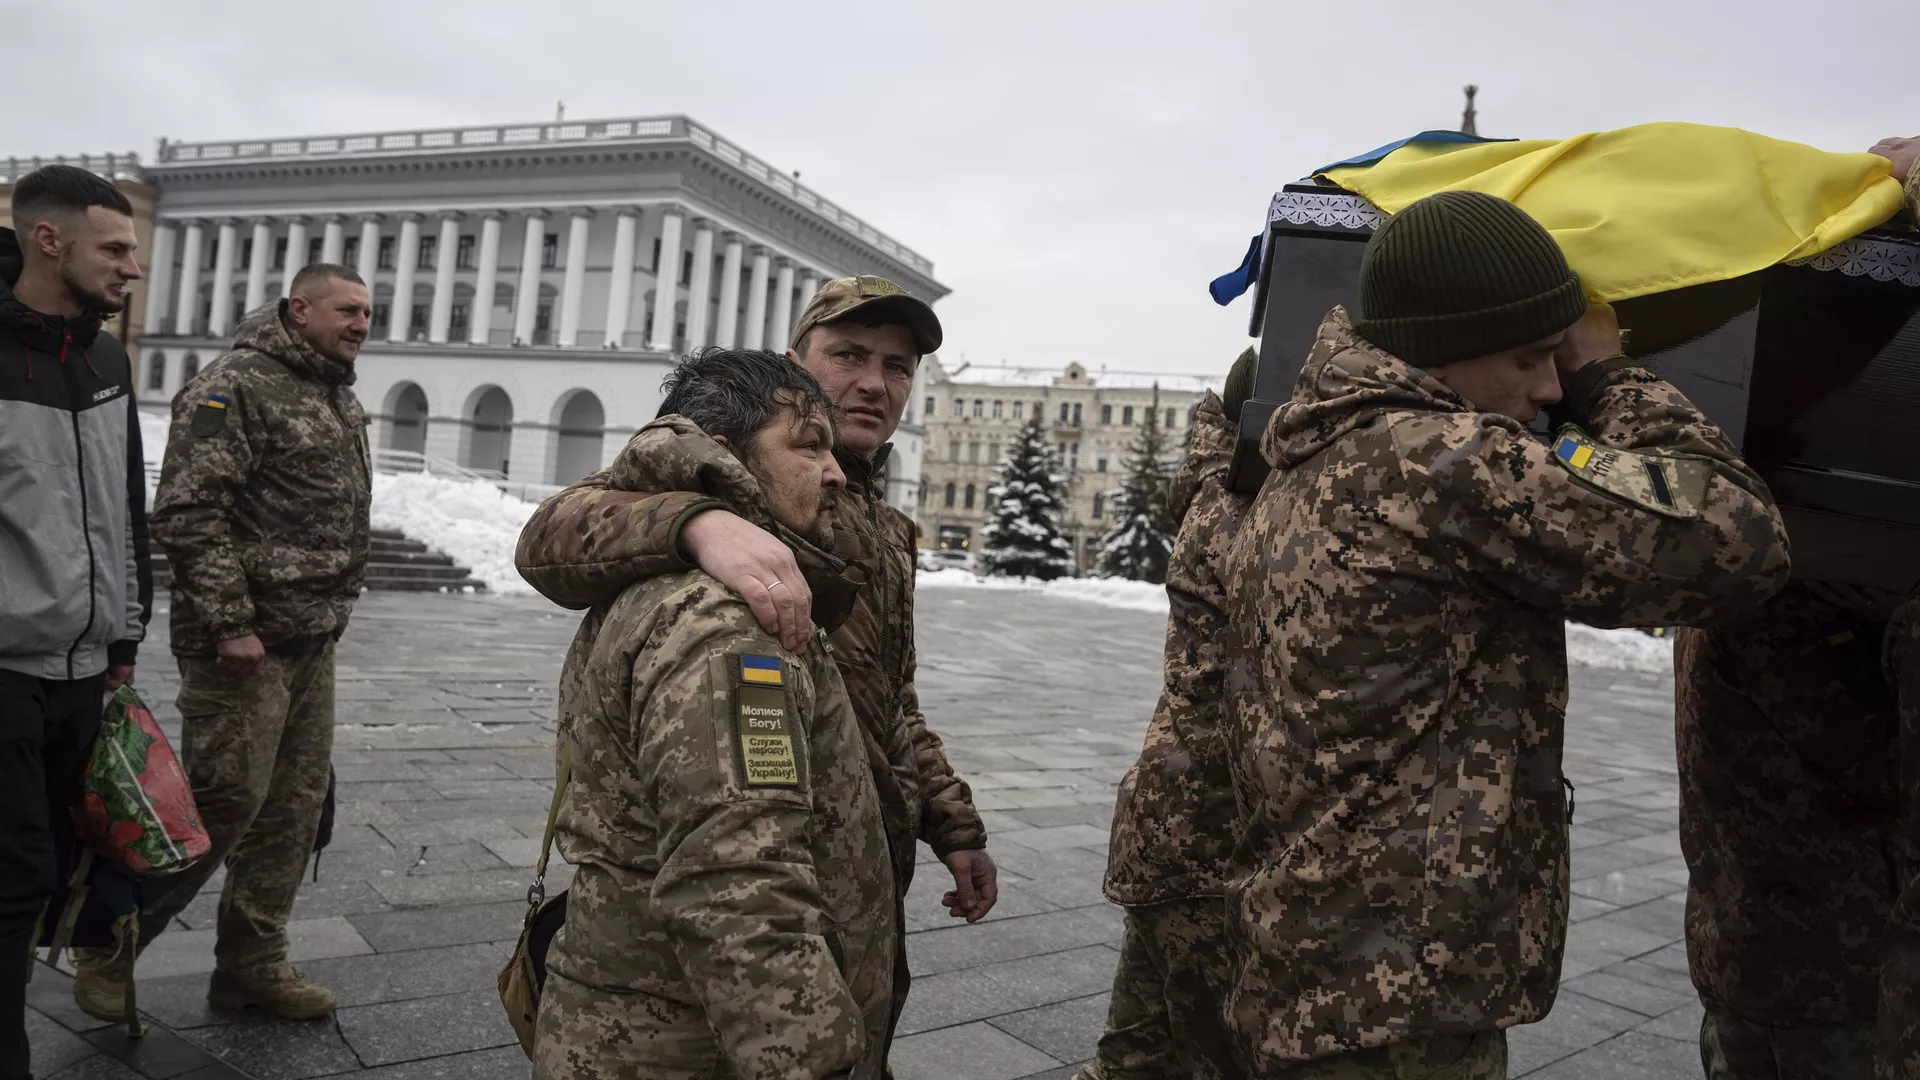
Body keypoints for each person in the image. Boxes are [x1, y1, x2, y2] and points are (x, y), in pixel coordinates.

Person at [1221, 190, 1792, 1077]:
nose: (1551, 387)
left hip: (1329, 956)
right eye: (1531, 357)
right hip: (1395, 987)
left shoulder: (1323, 452)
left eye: (1560, 360)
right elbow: (1736, 539)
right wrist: (1609, 373)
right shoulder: (1443, 460)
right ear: (1444, 348)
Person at [515, 275, 995, 1059]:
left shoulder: (882, 531)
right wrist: (697, 519)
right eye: (848, 355)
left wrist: (953, 826)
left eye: (899, 366)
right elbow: (551, 532)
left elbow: (893, 702)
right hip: (746, 934)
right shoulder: (733, 498)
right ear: (794, 363)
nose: (874, 382)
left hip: (854, 886)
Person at [531, 347, 895, 1080]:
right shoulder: (726, 619)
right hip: (682, 1044)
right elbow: (735, 884)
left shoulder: (722, 576)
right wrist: (812, 1061)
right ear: (727, 457)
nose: (832, 472)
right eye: (807, 445)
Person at [72, 264, 373, 1021]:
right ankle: (108, 941)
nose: (362, 324)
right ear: (298, 309)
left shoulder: (335, 391)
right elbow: (188, 509)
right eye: (348, 310)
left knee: (292, 809)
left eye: (368, 312)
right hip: (243, 643)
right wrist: (231, 622)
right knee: (224, 799)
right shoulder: (231, 385)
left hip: (314, 638)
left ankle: (252, 964)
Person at [0, 164, 151, 1080]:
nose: (131, 266)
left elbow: (126, 505)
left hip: (86, 667)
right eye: (115, 247)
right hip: (8, 665)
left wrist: (125, 639)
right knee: (14, 874)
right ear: (48, 240)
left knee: (51, 869)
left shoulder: (105, 359)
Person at [1077, 347, 1256, 1080]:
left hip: (1173, 834)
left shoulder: (1217, 494)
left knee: (1135, 1055)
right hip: (1206, 847)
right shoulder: (1246, 516)